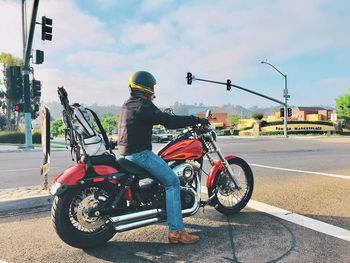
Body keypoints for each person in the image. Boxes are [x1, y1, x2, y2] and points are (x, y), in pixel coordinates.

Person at [118, 71, 209, 244]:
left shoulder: (128, 104)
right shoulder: (143, 105)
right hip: (140, 154)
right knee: (173, 182)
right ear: (147, 87)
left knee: (163, 172)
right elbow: (168, 121)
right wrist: (194, 120)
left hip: (126, 153)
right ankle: (176, 231)